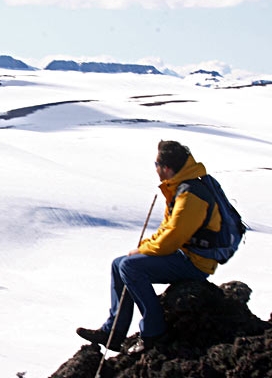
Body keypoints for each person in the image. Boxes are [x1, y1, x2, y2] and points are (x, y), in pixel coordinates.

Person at [76, 140, 222, 354]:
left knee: (130, 267)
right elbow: (167, 229)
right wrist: (144, 247)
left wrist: (142, 251)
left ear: (167, 168)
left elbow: (173, 237)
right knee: (120, 264)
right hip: (184, 254)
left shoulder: (191, 195)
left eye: (156, 164)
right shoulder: (180, 188)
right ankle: (113, 332)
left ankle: (154, 331)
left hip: (195, 262)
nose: (155, 169)